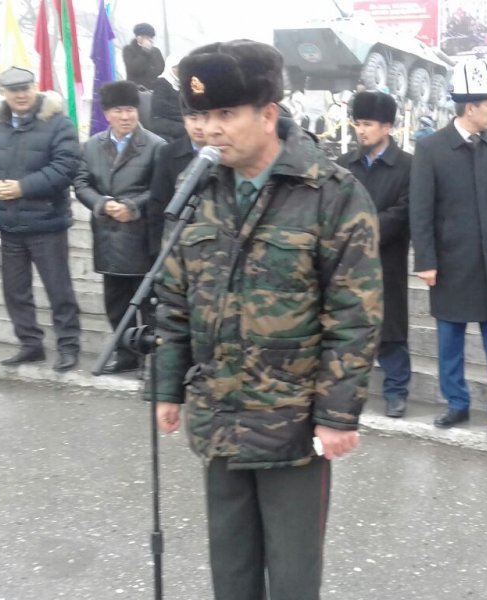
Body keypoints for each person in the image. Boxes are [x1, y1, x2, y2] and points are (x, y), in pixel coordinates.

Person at [150, 40, 382, 600]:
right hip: (219, 416)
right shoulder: (196, 191)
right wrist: (167, 387)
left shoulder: (330, 194)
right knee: (230, 572)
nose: (208, 129)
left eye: (225, 113)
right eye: (198, 115)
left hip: (292, 426)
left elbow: (356, 315)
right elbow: (173, 297)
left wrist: (337, 416)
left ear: (268, 113)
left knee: (293, 576)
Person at [410, 59, 487, 438]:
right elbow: (421, 211)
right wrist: (426, 260)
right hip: (451, 262)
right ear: (470, 107)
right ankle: (456, 404)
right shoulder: (430, 149)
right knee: (450, 343)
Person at [0, 67, 82, 372]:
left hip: (47, 223)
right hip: (9, 225)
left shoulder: (58, 123)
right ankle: (30, 344)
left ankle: (68, 346)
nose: (20, 95)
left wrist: (23, 187)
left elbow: (66, 167)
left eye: (25, 88)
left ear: (35, 88)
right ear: (4, 94)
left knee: (59, 290)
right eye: (13, 90)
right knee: (15, 292)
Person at [74, 81, 165, 374]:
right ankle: (126, 356)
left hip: (141, 237)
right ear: (107, 114)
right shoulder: (91, 146)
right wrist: (102, 203)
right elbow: (81, 183)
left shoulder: (155, 146)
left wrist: (133, 206)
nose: (125, 116)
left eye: (130, 110)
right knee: (115, 303)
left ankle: (152, 360)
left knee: (148, 303)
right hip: (108, 236)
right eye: (118, 111)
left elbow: (160, 189)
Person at [337, 91, 412, 417]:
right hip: (348, 262)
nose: (361, 130)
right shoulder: (345, 165)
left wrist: (363, 229)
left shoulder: (408, 166)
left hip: (387, 260)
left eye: (368, 124)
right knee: (350, 327)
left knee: (391, 329)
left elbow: (404, 211)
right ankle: (349, 390)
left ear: (387, 126)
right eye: (358, 123)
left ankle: (396, 391)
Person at [148, 99, 207, 256]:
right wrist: (157, 250)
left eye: (205, 118)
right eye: (193, 118)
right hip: (176, 245)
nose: (199, 126)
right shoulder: (168, 153)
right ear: (184, 120)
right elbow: (157, 204)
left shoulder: (226, 155)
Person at [148, 53, 186, 142]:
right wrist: (181, 114)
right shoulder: (161, 83)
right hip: (162, 120)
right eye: (176, 67)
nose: (179, 70)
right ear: (170, 68)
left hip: (177, 119)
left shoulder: (181, 84)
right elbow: (160, 106)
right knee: (186, 130)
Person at [122, 23, 165, 90]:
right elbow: (133, 69)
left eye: (151, 38)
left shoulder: (156, 51)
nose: (150, 40)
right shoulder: (128, 49)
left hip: (153, 89)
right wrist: (145, 51)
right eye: (147, 38)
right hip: (135, 89)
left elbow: (160, 69)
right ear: (139, 38)